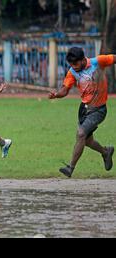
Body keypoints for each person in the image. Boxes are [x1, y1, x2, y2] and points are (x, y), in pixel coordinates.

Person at [48, 47, 115, 177]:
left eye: (76, 63)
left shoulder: (98, 62)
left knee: (80, 134)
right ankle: (106, 152)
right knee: (87, 141)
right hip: (84, 109)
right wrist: (56, 94)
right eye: (71, 64)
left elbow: (114, 58)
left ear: (83, 60)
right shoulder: (72, 72)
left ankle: (70, 168)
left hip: (99, 110)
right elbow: (64, 90)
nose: (74, 67)